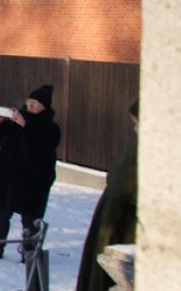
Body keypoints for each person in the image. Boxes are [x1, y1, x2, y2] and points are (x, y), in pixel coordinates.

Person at [0, 84, 62, 261]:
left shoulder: (50, 127)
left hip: (33, 180)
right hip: (7, 176)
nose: (31, 105)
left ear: (45, 106)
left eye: (36, 102)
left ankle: (29, 252)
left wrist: (25, 125)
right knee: (0, 215)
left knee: (30, 219)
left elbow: (42, 145)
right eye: (30, 101)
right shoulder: (16, 119)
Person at [76, 100, 138, 291]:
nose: (135, 128)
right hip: (116, 212)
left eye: (137, 123)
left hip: (123, 216)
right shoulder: (138, 144)